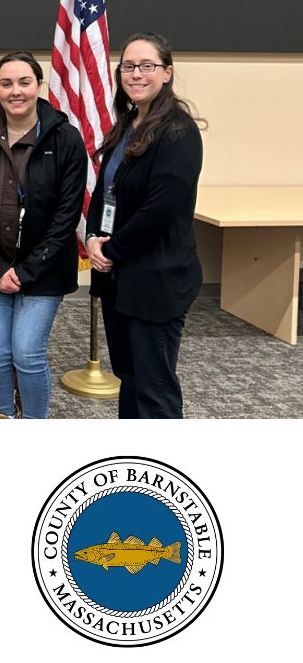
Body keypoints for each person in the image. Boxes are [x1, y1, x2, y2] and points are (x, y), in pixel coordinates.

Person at [0, 52, 86, 418]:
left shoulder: (65, 138)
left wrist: (26, 272)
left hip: (42, 271)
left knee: (27, 353)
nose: (16, 92)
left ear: (38, 86)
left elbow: (66, 215)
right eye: (6, 83)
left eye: (24, 82)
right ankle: (1, 419)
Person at [86, 33, 204, 419]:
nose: (136, 74)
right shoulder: (129, 123)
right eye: (129, 66)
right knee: (130, 377)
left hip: (156, 279)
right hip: (120, 277)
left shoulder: (178, 131)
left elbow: (160, 210)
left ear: (167, 73)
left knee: (154, 388)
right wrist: (92, 239)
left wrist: (111, 251)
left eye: (147, 66)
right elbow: (107, 191)